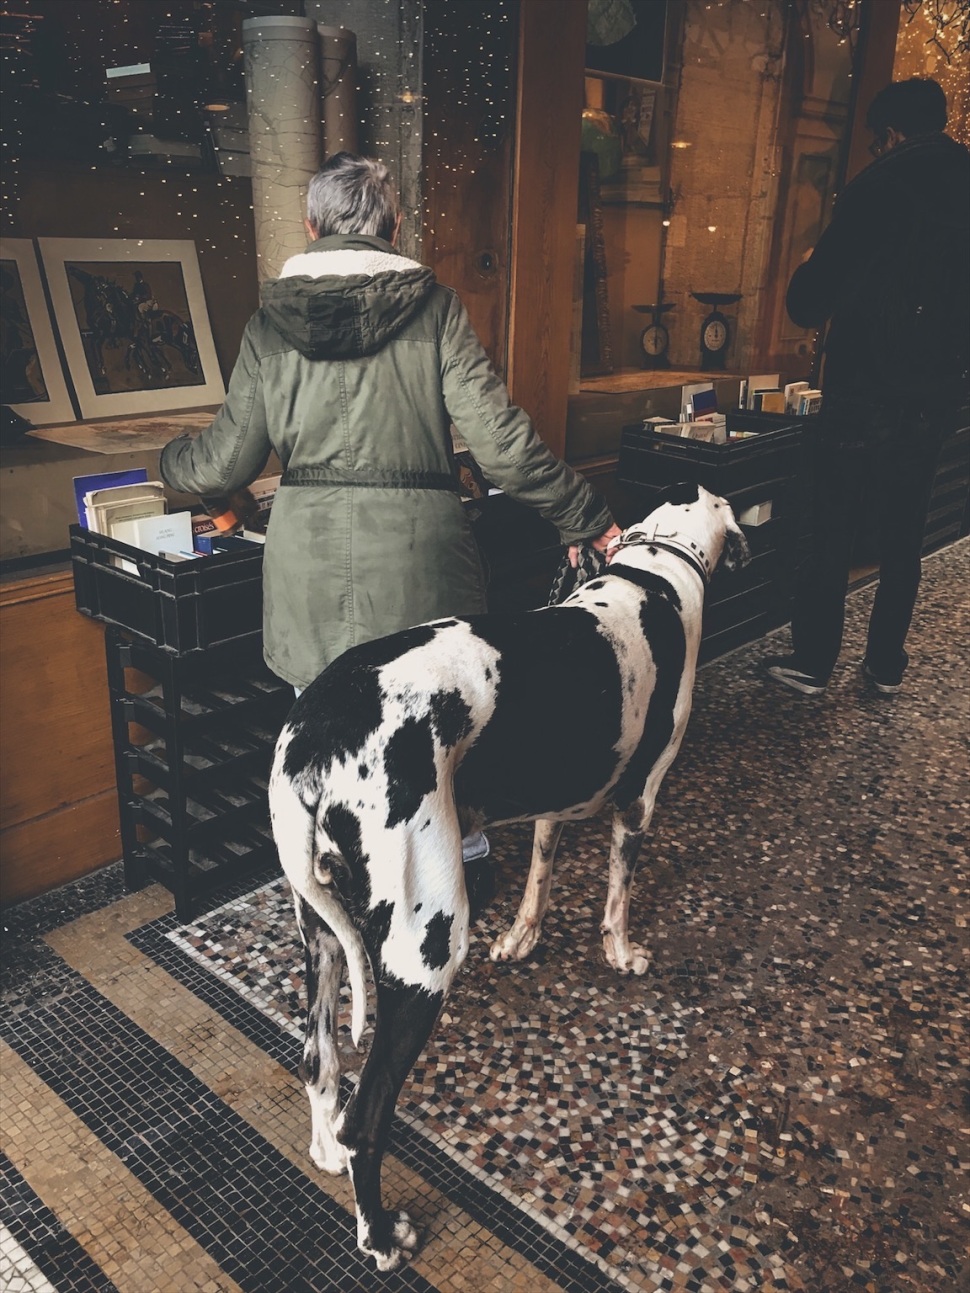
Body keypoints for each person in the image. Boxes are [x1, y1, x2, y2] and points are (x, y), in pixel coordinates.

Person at [160, 153, 620, 853]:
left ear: (310, 225)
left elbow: (224, 460)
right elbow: (500, 444)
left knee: (328, 744)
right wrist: (584, 514)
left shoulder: (267, 326)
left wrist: (170, 461)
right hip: (421, 573)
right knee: (443, 756)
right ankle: (453, 882)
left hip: (307, 578)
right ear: (395, 225)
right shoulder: (436, 311)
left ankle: (350, 882)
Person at [765, 78, 970, 697]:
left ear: (889, 134)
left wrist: (807, 265)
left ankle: (812, 663)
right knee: (906, 531)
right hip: (934, 396)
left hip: (862, 392)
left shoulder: (877, 188)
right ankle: (884, 665)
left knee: (831, 524)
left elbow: (810, 300)